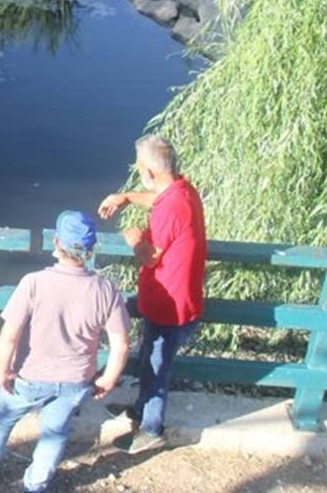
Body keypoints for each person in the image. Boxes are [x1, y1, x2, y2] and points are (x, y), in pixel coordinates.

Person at [0, 211, 130, 493]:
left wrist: (3, 370)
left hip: (29, 375)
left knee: (1, 421)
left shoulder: (34, 282)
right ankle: (36, 483)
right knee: (55, 433)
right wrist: (108, 378)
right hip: (75, 380)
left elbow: (9, 336)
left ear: (56, 242)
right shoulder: (106, 290)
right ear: (91, 250)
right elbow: (121, 344)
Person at [97, 134, 206, 454]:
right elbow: (158, 197)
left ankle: (150, 429)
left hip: (170, 305)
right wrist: (128, 197)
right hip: (171, 298)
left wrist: (133, 239)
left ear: (150, 171)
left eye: (139, 167)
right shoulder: (183, 190)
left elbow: (150, 256)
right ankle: (140, 408)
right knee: (149, 360)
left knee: (157, 369)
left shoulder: (171, 208)